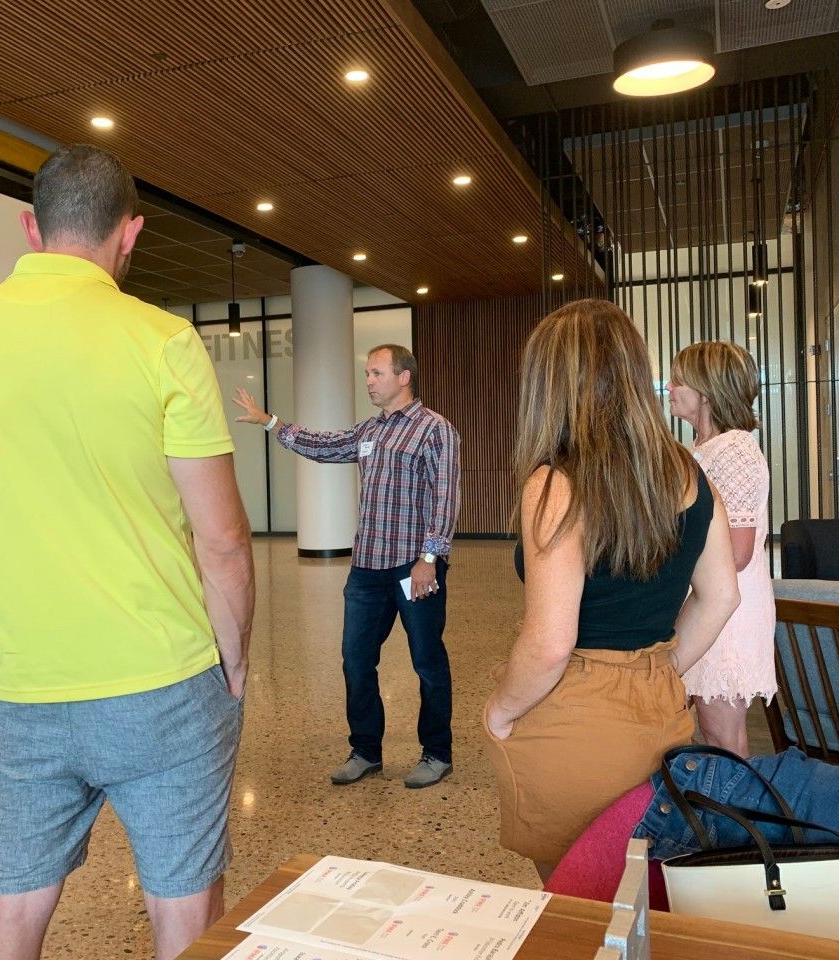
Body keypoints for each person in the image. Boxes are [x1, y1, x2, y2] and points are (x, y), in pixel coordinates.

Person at [0, 144, 254, 960]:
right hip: (160, 678)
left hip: (18, 685)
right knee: (183, 912)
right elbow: (221, 539)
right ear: (131, 233)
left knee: (13, 908)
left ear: (30, 226)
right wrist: (237, 661)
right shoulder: (162, 340)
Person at [482, 299, 740, 877]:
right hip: (663, 710)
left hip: (578, 714)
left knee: (577, 899)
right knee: (643, 893)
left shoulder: (556, 482)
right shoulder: (687, 472)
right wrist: (664, 668)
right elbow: (722, 596)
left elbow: (550, 641)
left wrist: (500, 710)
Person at [232, 344, 461, 789]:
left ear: (404, 376)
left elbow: (445, 499)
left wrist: (429, 559)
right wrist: (272, 423)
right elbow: (324, 446)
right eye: (368, 374)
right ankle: (365, 751)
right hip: (367, 569)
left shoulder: (435, 430)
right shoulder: (368, 430)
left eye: (376, 373)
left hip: (414, 568)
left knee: (427, 663)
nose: (369, 381)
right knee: (356, 662)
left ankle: (436, 753)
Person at [666, 341, 776, 756]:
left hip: (727, 613)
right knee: (698, 734)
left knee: (721, 738)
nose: (670, 387)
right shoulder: (702, 449)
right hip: (701, 604)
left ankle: (737, 819)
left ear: (707, 390)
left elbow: (737, 552)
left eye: (680, 380)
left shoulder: (735, 451)